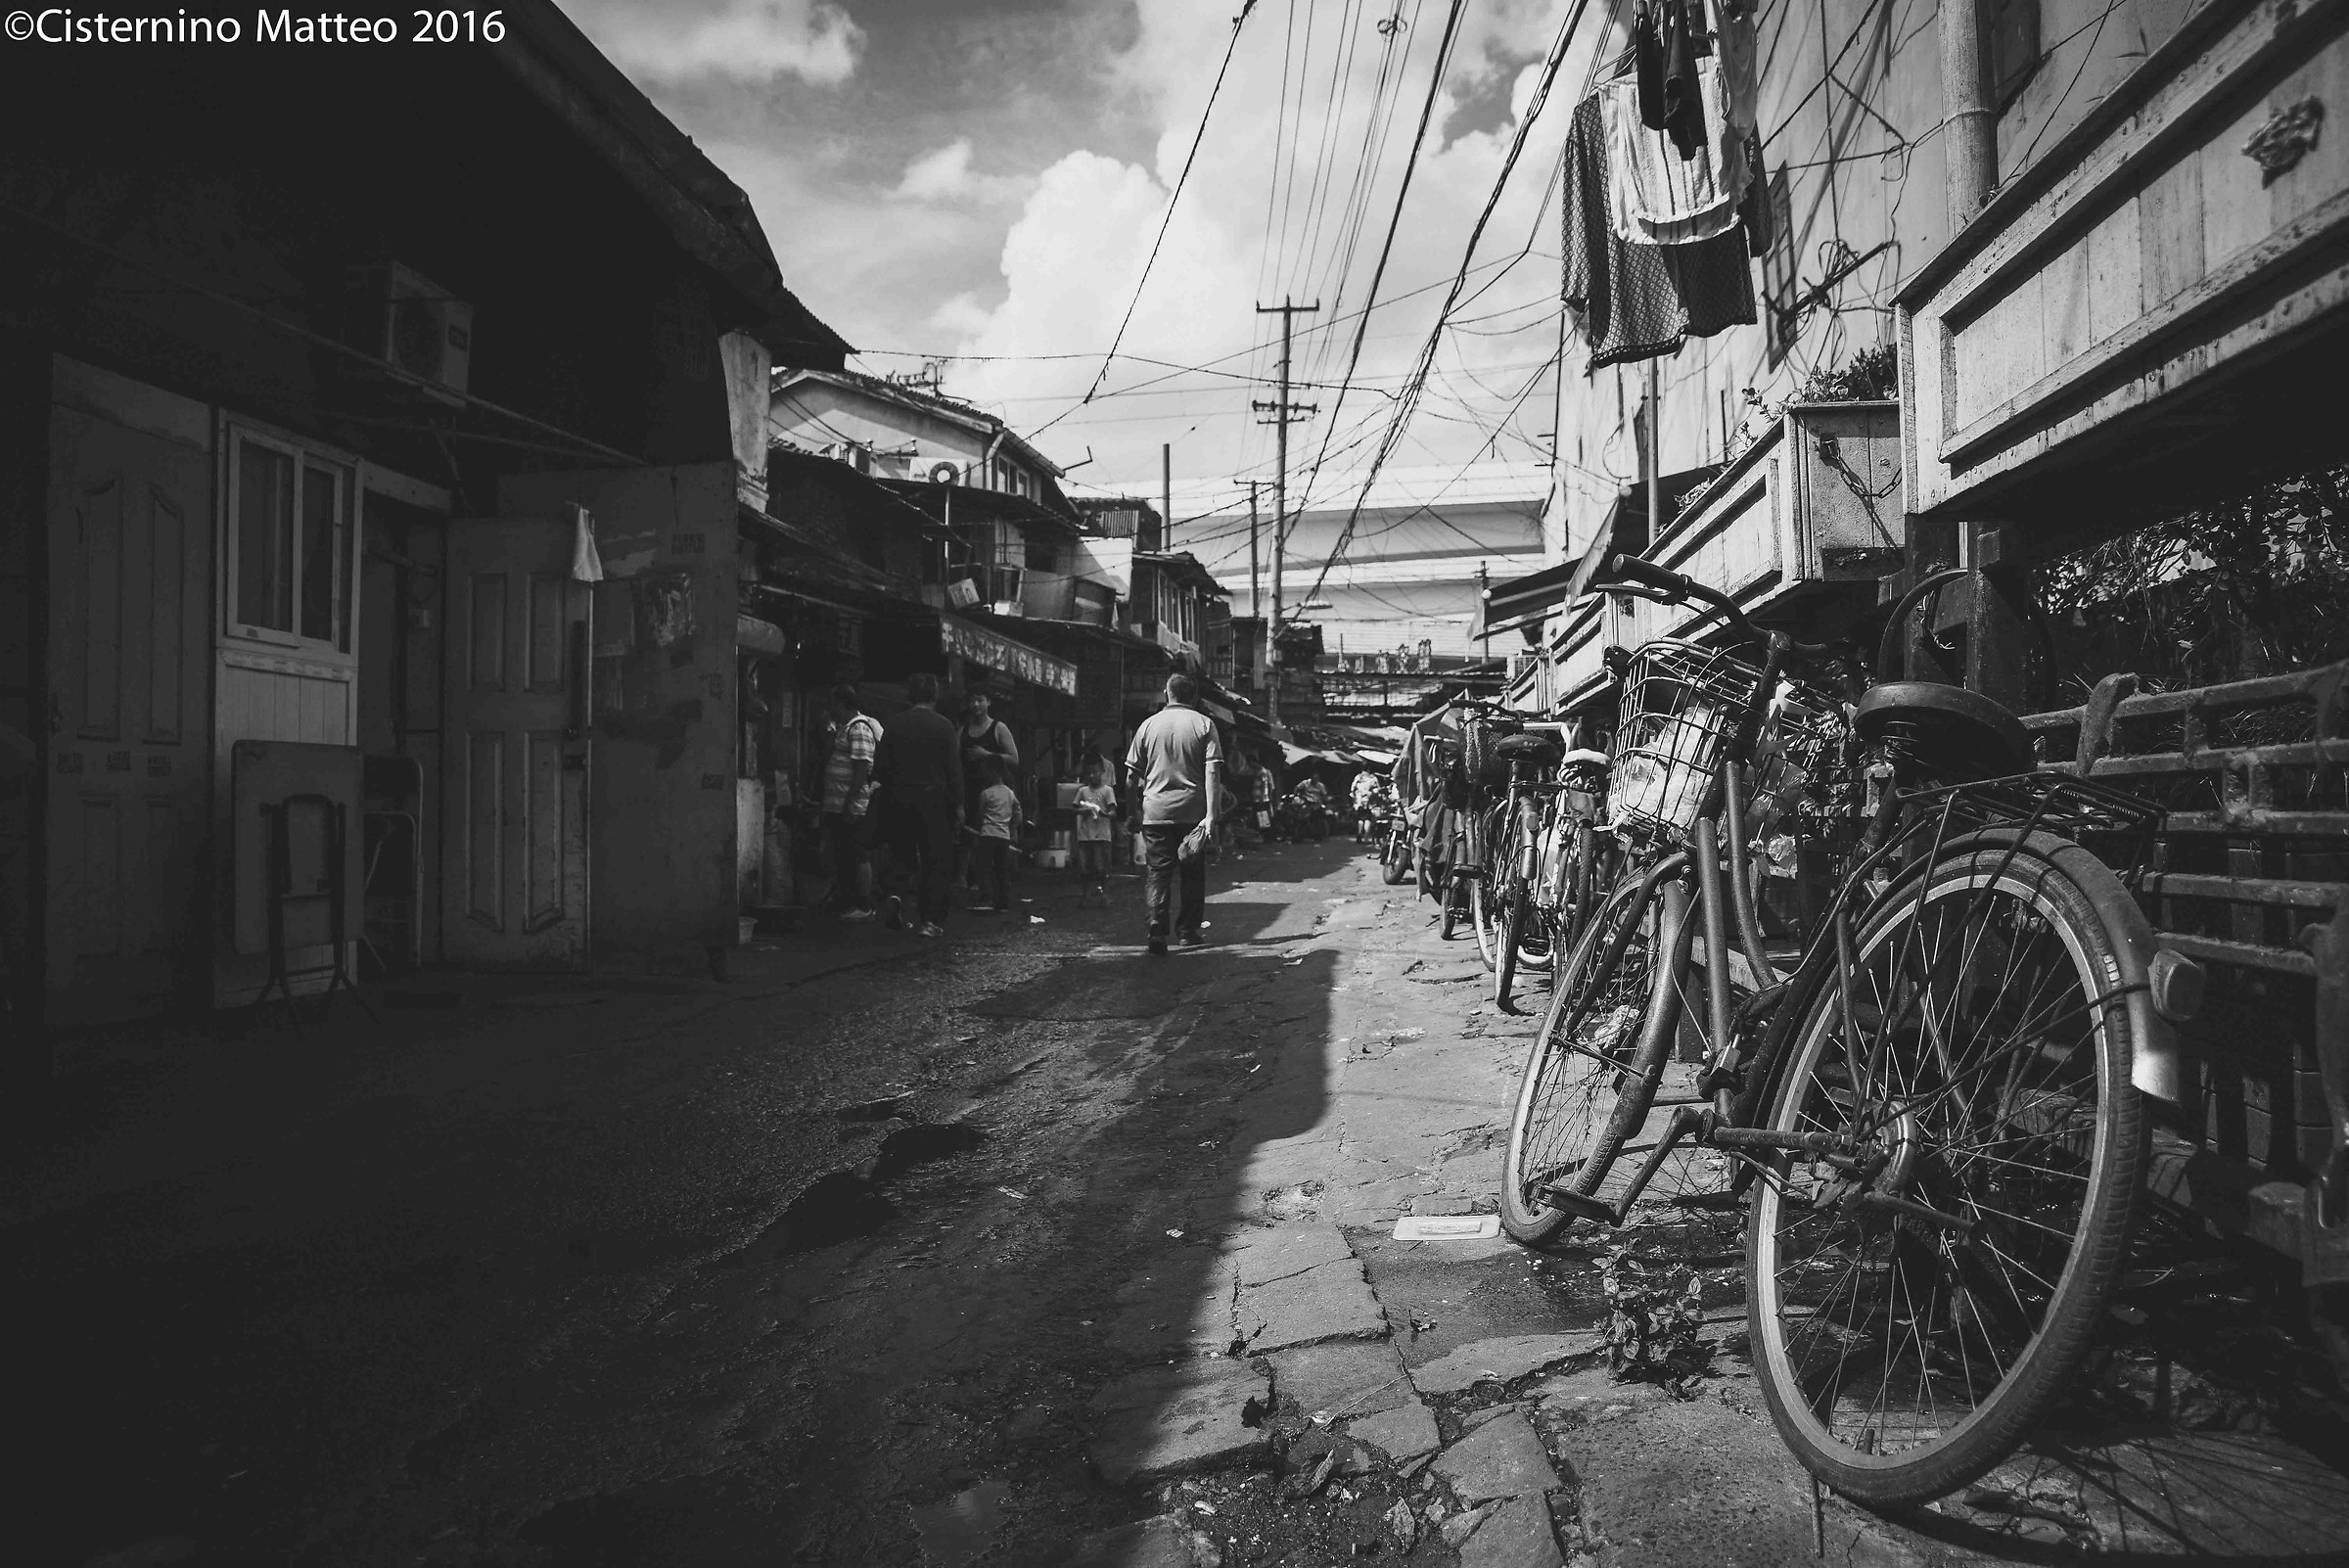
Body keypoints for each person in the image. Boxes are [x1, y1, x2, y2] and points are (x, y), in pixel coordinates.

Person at [1124, 672, 1222, 955]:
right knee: (1192, 874)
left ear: (1167, 693)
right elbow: (1212, 770)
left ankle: (1156, 923)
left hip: (1155, 813)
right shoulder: (1204, 724)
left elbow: (1131, 777)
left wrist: (1132, 813)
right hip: (1193, 814)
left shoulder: (1147, 726)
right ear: (1192, 696)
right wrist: (1212, 815)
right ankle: (1187, 932)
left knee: (1158, 873)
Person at [871, 672, 963, 937]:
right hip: (933, 801)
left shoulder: (894, 724)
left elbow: (881, 768)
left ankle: (895, 895)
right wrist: (959, 805)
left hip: (897, 798)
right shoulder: (944, 726)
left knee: (901, 855)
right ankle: (931, 922)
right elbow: (953, 771)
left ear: (909, 695)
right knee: (936, 861)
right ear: (935, 696)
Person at [820, 683, 882, 920]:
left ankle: (864, 905)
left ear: (842, 704)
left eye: (833, 703)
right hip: (838, 805)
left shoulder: (859, 728)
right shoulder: (843, 728)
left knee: (858, 852)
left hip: (852, 806)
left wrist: (849, 803)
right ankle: (848, 899)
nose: (831, 708)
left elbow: (862, 767)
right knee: (845, 852)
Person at [957, 689, 1019, 891]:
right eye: (972, 700)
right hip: (970, 788)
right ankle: (965, 878)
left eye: (980, 700)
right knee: (968, 834)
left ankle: (997, 878)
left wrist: (986, 755)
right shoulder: (963, 730)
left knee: (995, 835)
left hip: (996, 790)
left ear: (988, 702)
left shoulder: (998, 728)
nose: (976, 705)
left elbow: (1014, 758)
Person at [970, 756, 1023, 913]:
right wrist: (1013, 828)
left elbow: (981, 814)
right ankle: (1003, 902)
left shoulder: (986, 794)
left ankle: (986, 898)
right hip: (1004, 837)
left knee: (983, 867)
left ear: (993, 772)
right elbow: (1018, 813)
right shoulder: (1010, 793)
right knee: (1002, 869)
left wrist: (977, 829)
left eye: (985, 771)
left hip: (987, 835)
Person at [1072, 758, 1118, 905]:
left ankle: (1104, 895)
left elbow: (1113, 813)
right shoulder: (1082, 791)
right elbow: (1074, 808)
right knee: (1084, 868)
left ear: (1102, 773)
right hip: (1085, 835)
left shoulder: (1108, 791)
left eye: (1095, 772)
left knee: (1101, 868)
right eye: (1089, 773)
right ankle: (1084, 895)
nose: (1092, 776)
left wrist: (1102, 813)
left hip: (1102, 835)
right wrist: (1083, 810)